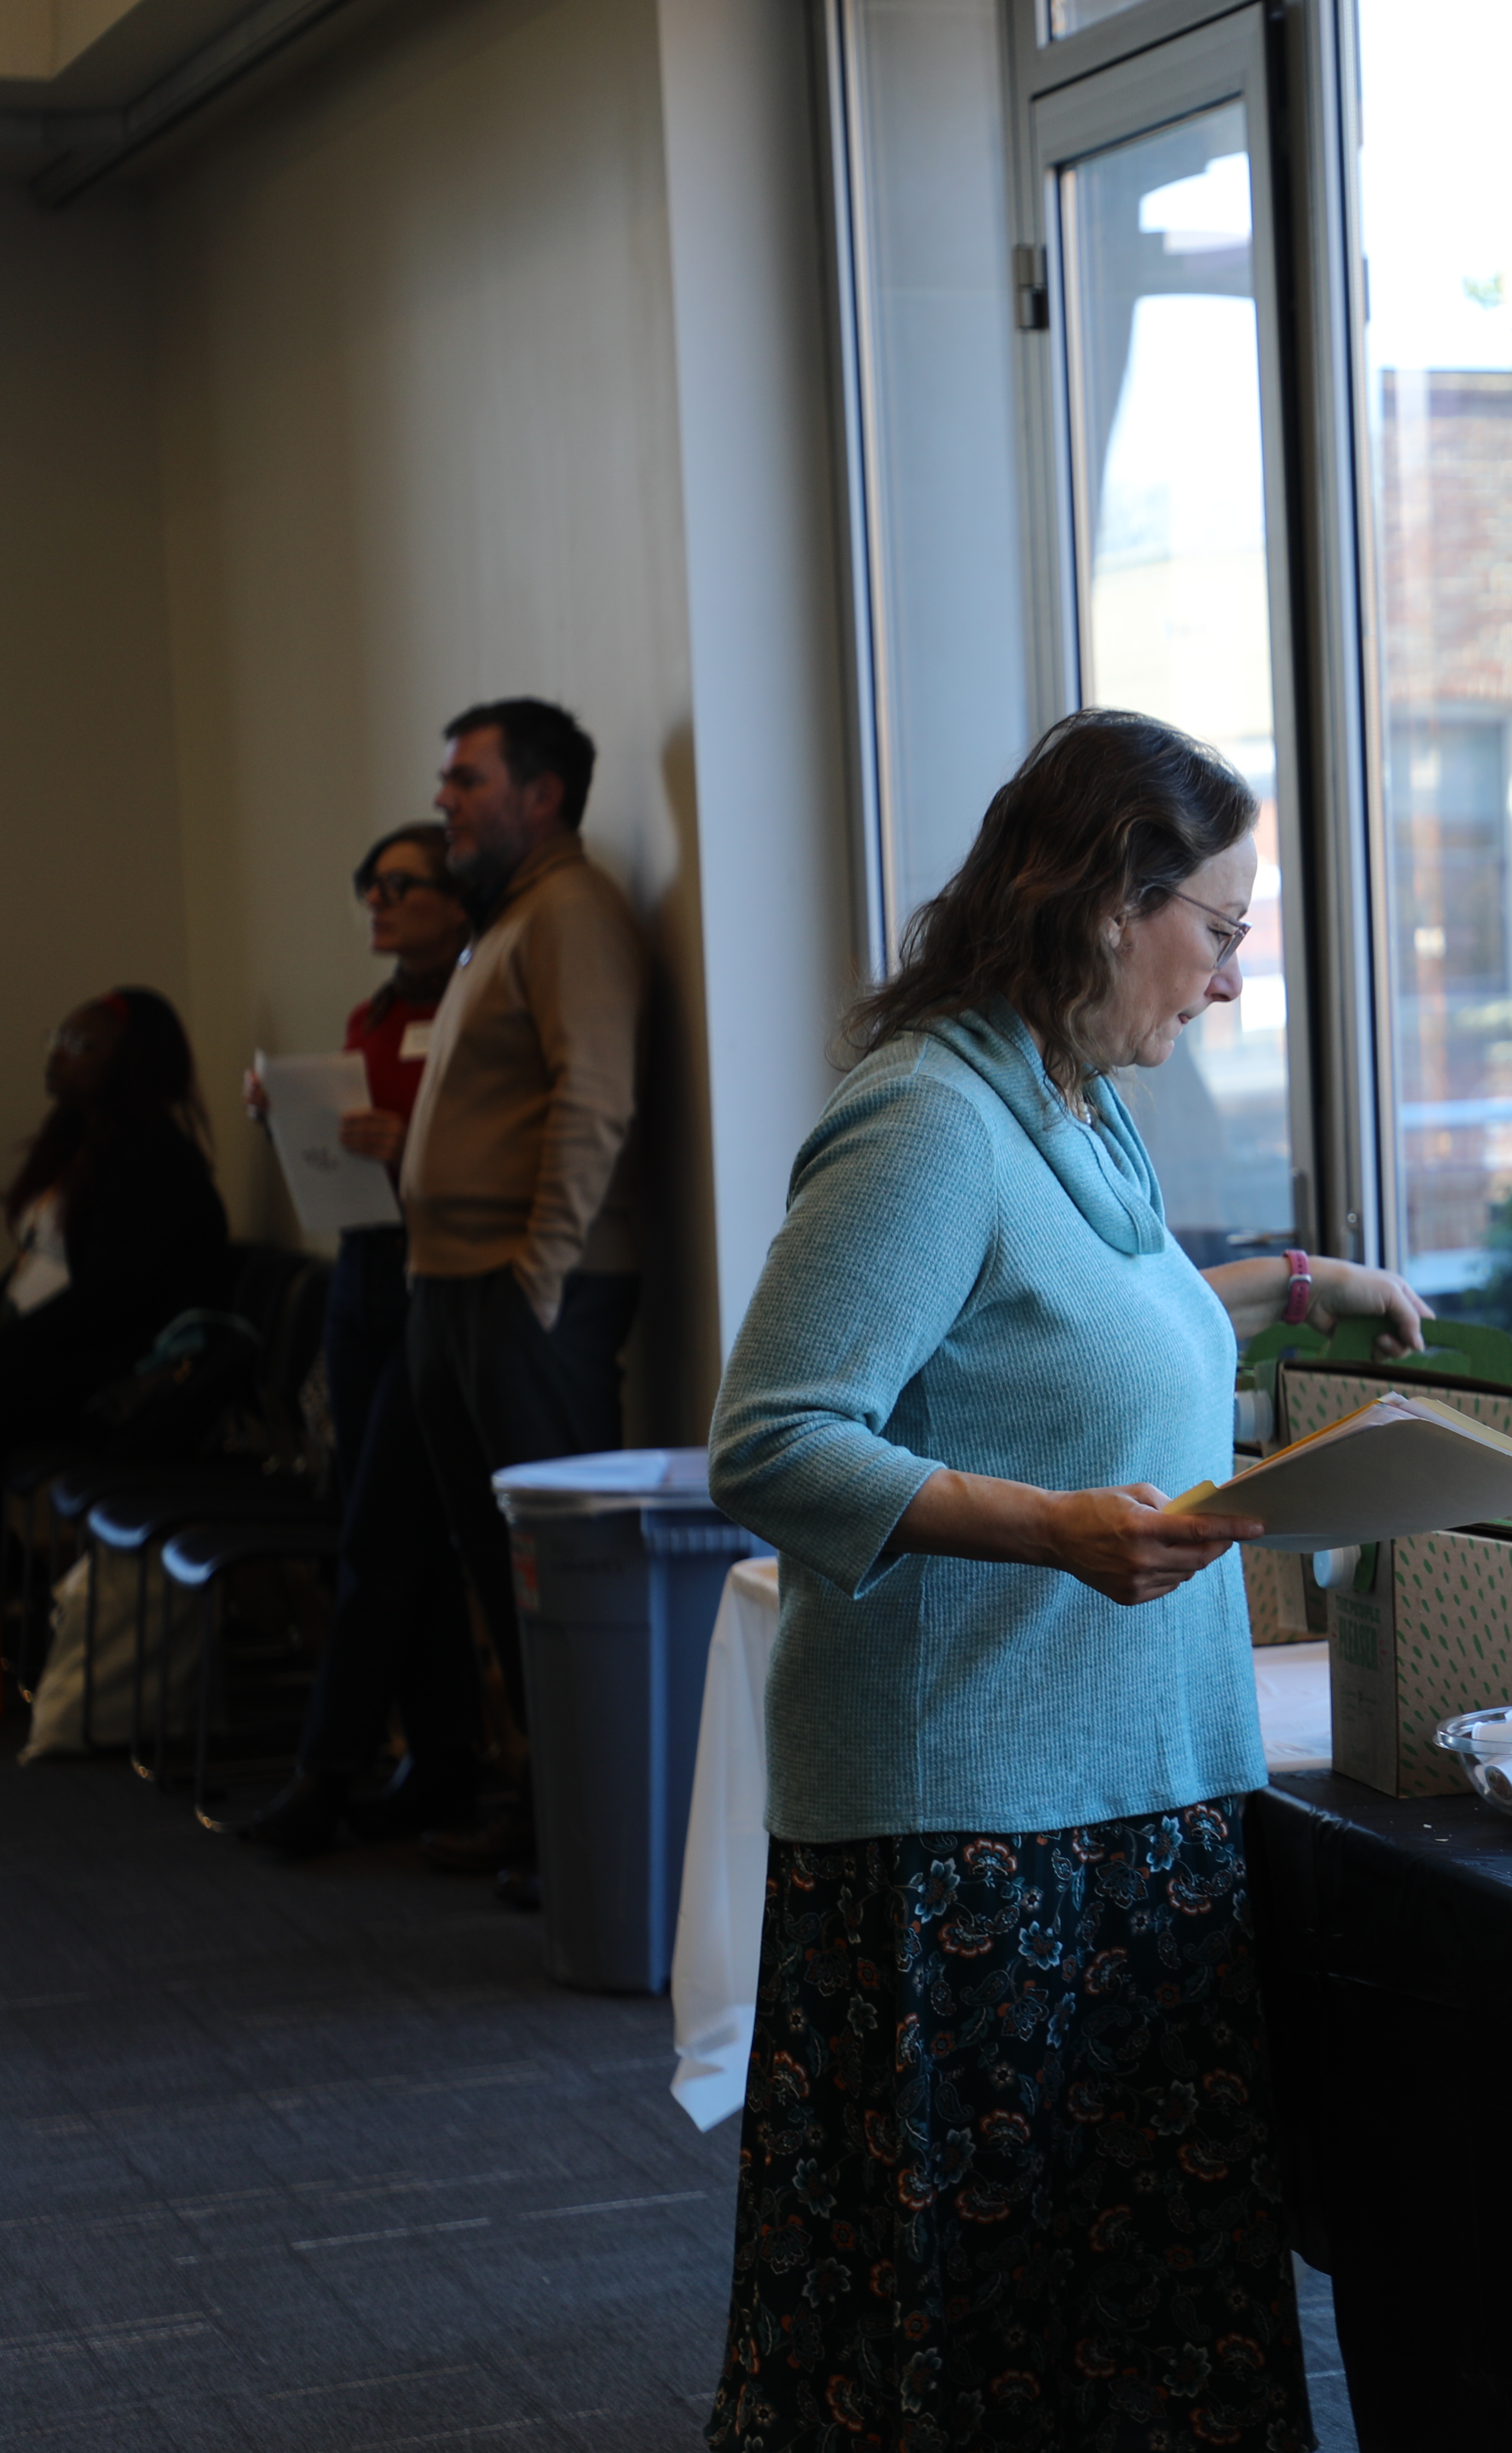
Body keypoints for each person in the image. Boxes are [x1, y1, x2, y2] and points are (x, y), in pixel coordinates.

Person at [704, 710, 1423, 2451]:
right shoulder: (929, 1122)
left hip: (1126, 1798)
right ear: (1112, 899)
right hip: (976, 1834)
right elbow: (772, 1442)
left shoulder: (1074, 1101)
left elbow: (1071, 1316)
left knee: (1122, 2322)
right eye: (1222, 931)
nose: (1234, 980)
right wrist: (1057, 1530)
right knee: (1001, 2339)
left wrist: (1293, 1287)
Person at [396, 698, 647, 1892]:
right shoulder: (506, 918)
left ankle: (586, 1840)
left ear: (541, 795)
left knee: (557, 1577)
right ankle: (550, 1810)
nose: (443, 798)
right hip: (459, 1288)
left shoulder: (572, 912)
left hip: (529, 1294)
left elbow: (594, 1101)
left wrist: (538, 1279)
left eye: (467, 779)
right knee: (502, 1572)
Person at [232, 825, 484, 1856]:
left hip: (436, 1271)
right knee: (387, 1525)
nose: (376, 903)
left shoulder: (472, 1011)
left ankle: (324, 1773)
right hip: (360, 1270)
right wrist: (288, 1117)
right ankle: (445, 1765)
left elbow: (480, 1141)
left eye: (399, 885)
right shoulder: (371, 1014)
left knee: (380, 1532)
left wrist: (410, 1141)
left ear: (456, 902)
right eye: (368, 886)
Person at [0, 988, 229, 1448]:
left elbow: (108, 1299)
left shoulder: (155, 1160)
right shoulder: (74, 1141)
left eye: (81, 1045)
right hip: (42, 1351)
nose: (58, 1054)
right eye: (59, 1038)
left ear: (133, 1062)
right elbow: (35, 1260)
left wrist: (10, 1346)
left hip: (98, 1372)